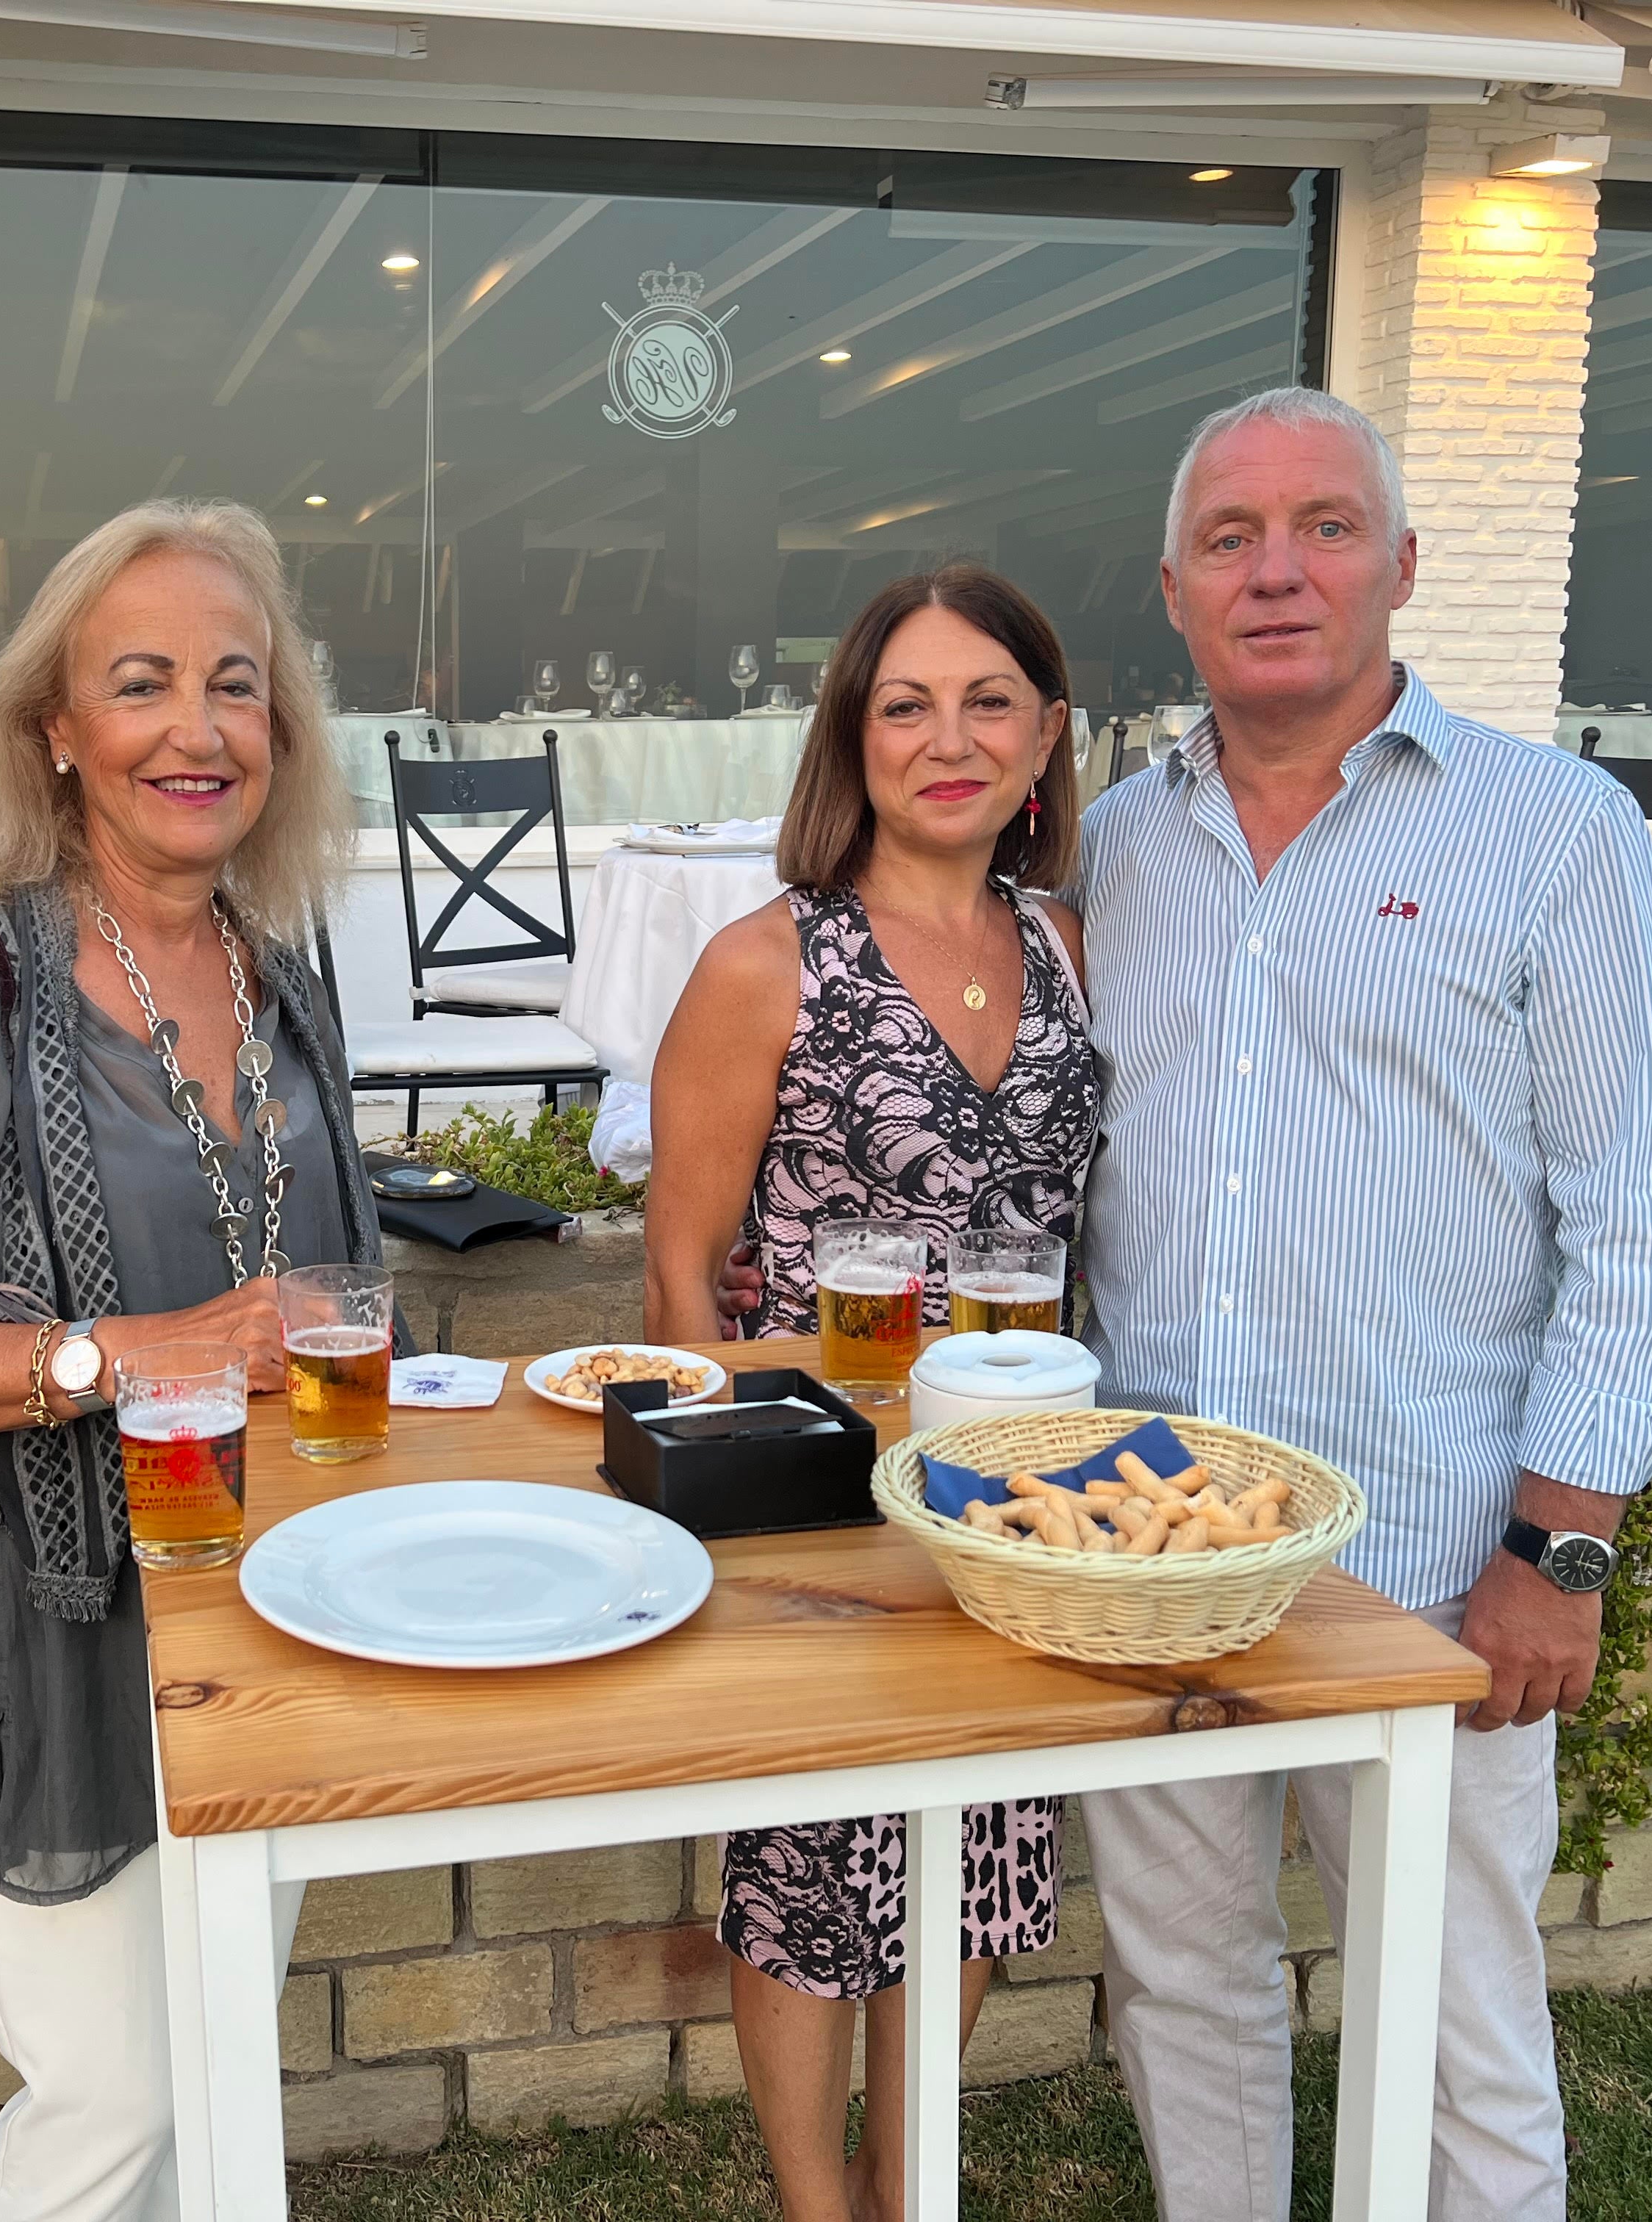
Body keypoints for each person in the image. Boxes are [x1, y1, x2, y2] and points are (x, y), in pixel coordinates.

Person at [1074, 386, 1652, 2221]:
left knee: (1456, 2024)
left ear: (1405, 566)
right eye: (1232, 538)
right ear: (1176, 592)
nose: (1279, 569)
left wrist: (1562, 1547)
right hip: (1159, 1548)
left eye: (1327, 526)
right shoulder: (1112, 850)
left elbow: (1640, 1216)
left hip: (1434, 1560)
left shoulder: (1553, 830)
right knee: (1184, 1997)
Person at [0, 499, 392, 2222]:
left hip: (271, 1615)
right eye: (142, 683)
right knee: (112, 2116)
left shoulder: (287, 986)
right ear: (57, 729)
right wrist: (128, 1356)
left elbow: (329, 1286)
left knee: (210, 2085)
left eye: (236, 686)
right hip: (65, 1637)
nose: (198, 729)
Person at [643, 564, 1093, 2222]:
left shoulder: (1065, 943)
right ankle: (815, 2211)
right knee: (811, 1881)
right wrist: (731, 1520)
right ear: (855, 737)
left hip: (1012, 1501)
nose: (948, 738)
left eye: (989, 702)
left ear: (1046, 735)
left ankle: (914, 2195)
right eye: (906, 703)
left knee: (980, 1866)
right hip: (822, 1506)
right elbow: (681, 1271)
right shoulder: (772, 961)